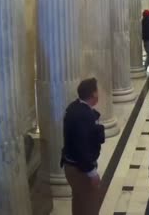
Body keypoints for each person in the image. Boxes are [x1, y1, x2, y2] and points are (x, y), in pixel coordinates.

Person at [61, 78, 105, 215]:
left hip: (72, 166)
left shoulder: (75, 107)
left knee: (80, 203)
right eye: (97, 90)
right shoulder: (83, 116)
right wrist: (92, 172)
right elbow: (82, 147)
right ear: (94, 94)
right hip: (79, 169)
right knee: (90, 205)